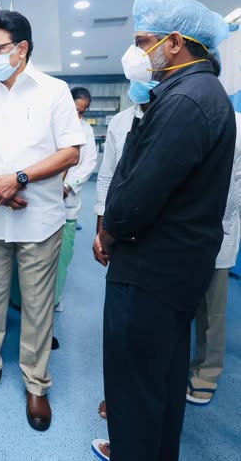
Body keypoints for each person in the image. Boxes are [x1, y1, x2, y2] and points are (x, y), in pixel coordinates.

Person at [91, 0, 236, 461]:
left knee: (134, 389)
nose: (137, 52)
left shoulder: (185, 101)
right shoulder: (200, 93)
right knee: (161, 381)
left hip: (150, 269)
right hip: (175, 267)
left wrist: (110, 230)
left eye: (143, 41)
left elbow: (140, 192)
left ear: (174, 42)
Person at [0, 10, 85, 431]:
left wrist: (19, 179)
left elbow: (71, 153)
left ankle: (36, 383)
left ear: (22, 48)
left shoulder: (54, 91)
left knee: (36, 303)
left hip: (39, 217)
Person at [94, 78, 157, 421]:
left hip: (161, 237)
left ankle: (140, 407)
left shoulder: (178, 114)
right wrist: (102, 230)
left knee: (154, 328)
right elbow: (107, 177)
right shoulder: (121, 121)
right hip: (121, 234)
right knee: (119, 323)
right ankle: (118, 397)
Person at [187, 115, 241, 405]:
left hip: (219, 229)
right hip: (180, 232)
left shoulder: (237, 124)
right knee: (179, 304)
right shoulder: (183, 116)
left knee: (212, 310)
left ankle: (206, 373)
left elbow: (235, 187)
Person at [55, 86, 97, 310]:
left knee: (63, 255)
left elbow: (89, 163)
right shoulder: (53, 123)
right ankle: (22, 300)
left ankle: (55, 298)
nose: (78, 116)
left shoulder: (85, 130)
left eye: (82, 112)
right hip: (44, 199)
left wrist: (67, 185)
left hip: (68, 201)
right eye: (75, 110)